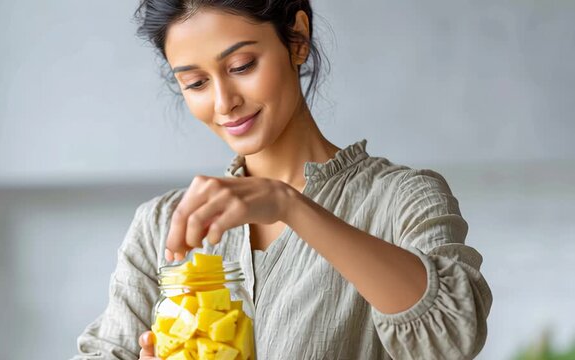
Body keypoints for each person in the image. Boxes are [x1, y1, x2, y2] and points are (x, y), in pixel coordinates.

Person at [71, 1, 493, 359]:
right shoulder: (161, 225)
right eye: (196, 83)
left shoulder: (400, 199)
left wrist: (290, 205)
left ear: (297, 39)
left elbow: (452, 334)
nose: (224, 102)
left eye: (242, 65)